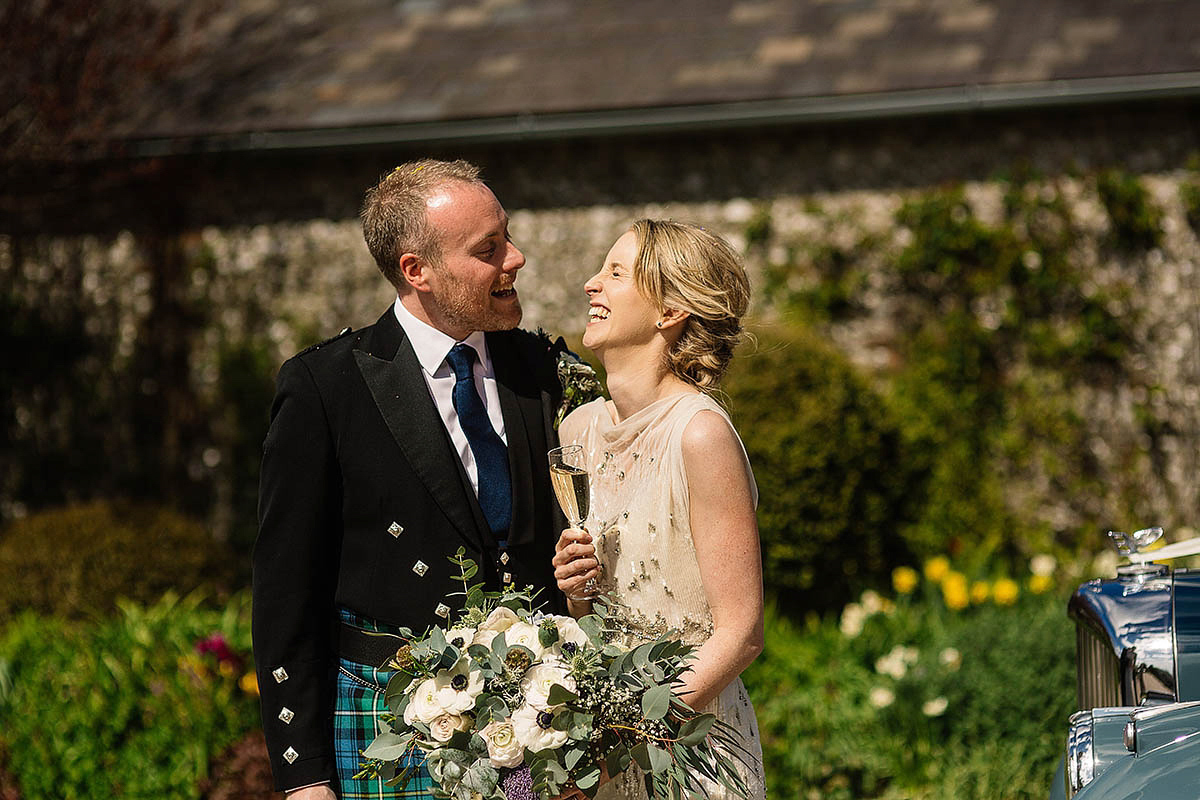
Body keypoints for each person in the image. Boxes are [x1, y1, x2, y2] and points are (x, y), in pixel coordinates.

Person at [253, 159, 570, 800]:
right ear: (415, 270)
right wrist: (304, 775)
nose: (518, 258)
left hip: (539, 733)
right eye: (488, 249)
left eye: (506, 235)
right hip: (386, 729)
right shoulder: (327, 387)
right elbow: (286, 589)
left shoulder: (542, 370)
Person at [551, 219, 767, 800]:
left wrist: (628, 735)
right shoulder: (578, 430)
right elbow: (594, 611)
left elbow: (742, 633)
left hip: (689, 748)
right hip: (594, 750)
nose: (592, 284)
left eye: (616, 273)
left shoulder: (699, 435)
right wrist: (577, 589)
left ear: (670, 311)